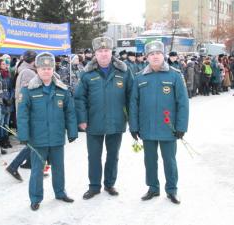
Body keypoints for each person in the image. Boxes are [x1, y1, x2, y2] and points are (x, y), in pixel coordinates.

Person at [129, 41, 189, 204]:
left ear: (163, 55)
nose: (155, 56)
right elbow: (133, 103)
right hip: (146, 127)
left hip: (168, 128)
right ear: (147, 57)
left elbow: (183, 103)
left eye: (158, 53)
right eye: (151, 54)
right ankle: (153, 188)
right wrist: (133, 126)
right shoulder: (140, 77)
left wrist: (181, 126)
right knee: (149, 160)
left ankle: (172, 190)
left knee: (169, 160)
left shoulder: (175, 75)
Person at [74, 36, 134, 200]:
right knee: (93, 156)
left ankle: (109, 184)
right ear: (95, 53)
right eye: (100, 51)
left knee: (113, 155)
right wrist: (82, 119)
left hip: (116, 120)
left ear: (111, 52)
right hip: (94, 121)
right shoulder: (87, 74)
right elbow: (79, 98)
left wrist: (131, 119)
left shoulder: (124, 71)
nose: (103, 54)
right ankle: (94, 186)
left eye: (106, 50)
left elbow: (132, 97)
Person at [17, 52, 78, 211]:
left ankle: (60, 192)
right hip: (38, 138)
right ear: (37, 69)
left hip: (57, 136)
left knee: (59, 167)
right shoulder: (28, 90)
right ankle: (35, 198)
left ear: (53, 69)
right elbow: (22, 114)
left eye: (49, 68)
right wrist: (23, 135)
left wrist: (72, 131)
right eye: (43, 68)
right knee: (37, 170)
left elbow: (69, 112)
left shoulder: (62, 90)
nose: (46, 71)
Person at [6, 50, 37, 180]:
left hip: (27, 112)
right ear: (32, 60)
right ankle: (13, 166)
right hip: (29, 112)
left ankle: (30, 163)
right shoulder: (28, 72)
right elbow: (31, 94)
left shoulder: (24, 70)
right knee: (35, 142)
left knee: (34, 140)